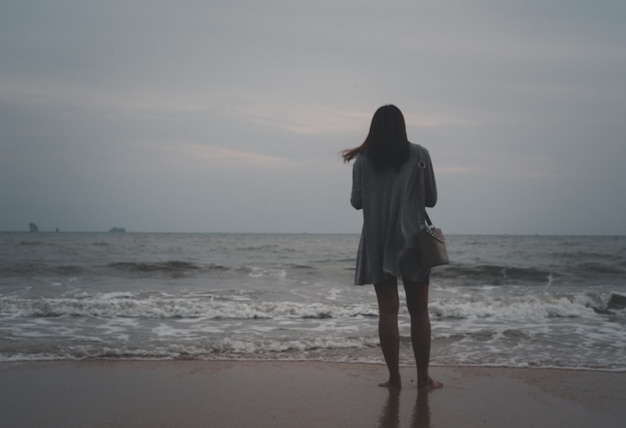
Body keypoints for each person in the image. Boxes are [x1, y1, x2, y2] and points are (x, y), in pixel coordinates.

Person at [342, 104, 442, 391]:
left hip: (377, 241)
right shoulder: (420, 155)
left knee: (387, 311)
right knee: (419, 311)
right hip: (413, 241)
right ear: (403, 127)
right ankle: (423, 380)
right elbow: (431, 199)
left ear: (373, 128)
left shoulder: (363, 160)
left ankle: (394, 379)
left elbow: (356, 202)